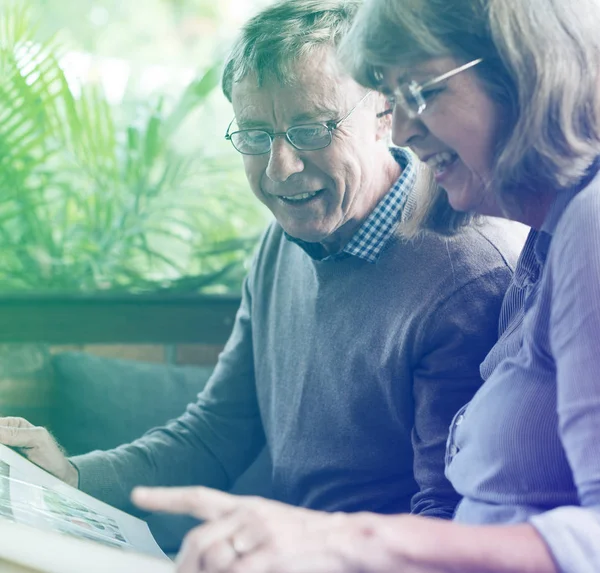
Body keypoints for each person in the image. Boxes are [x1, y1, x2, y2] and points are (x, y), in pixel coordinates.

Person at [1, 0, 522, 538]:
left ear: (384, 113)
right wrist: (72, 475)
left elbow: (450, 522)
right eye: (254, 135)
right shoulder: (286, 237)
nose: (281, 168)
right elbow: (217, 432)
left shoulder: (468, 277)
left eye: (311, 129)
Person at [132, 0, 600, 571]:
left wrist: (343, 541)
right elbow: (219, 428)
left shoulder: (552, 238)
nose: (404, 127)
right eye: (398, 96)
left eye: (421, 92)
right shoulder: (546, 242)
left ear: (523, 73)